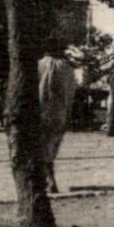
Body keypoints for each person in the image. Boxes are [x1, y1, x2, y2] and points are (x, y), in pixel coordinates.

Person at [37, 45, 77, 195]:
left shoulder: (38, 65)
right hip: (59, 112)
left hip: (39, 111)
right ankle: (50, 179)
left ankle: (47, 179)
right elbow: (71, 91)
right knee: (52, 144)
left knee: (39, 145)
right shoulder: (66, 68)